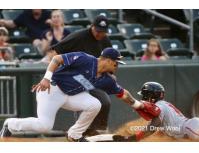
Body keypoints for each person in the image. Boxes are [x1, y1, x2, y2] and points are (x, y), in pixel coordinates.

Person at [0, 48, 139, 142]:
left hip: (72, 96)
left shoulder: (106, 79)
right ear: (108, 60)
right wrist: (46, 78)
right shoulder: (85, 59)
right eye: (116, 63)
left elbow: (122, 93)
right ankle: (11, 124)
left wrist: (138, 105)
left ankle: (75, 135)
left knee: (95, 104)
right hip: (52, 90)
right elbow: (56, 59)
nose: (117, 66)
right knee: (44, 126)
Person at [50, 15, 112, 135]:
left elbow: (111, 60)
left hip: (93, 77)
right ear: (92, 26)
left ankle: (97, 129)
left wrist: (109, 74)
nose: (100, 34)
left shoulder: (105, 40)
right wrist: (54, 73)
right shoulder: (79, 36)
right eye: (98, 31)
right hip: (75, 75)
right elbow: (56, 51)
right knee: (85, 102)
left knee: (105, 101)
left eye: (103, 32)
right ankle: (80, 132)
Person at [112, 82, 199, 142]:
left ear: (151, 96)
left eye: (144, 95)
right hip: (191, 127)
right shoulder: (163, 105)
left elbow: (151, 128)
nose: (143, 98)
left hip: (191, 128)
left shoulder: (160, 106)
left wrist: (131, 138)